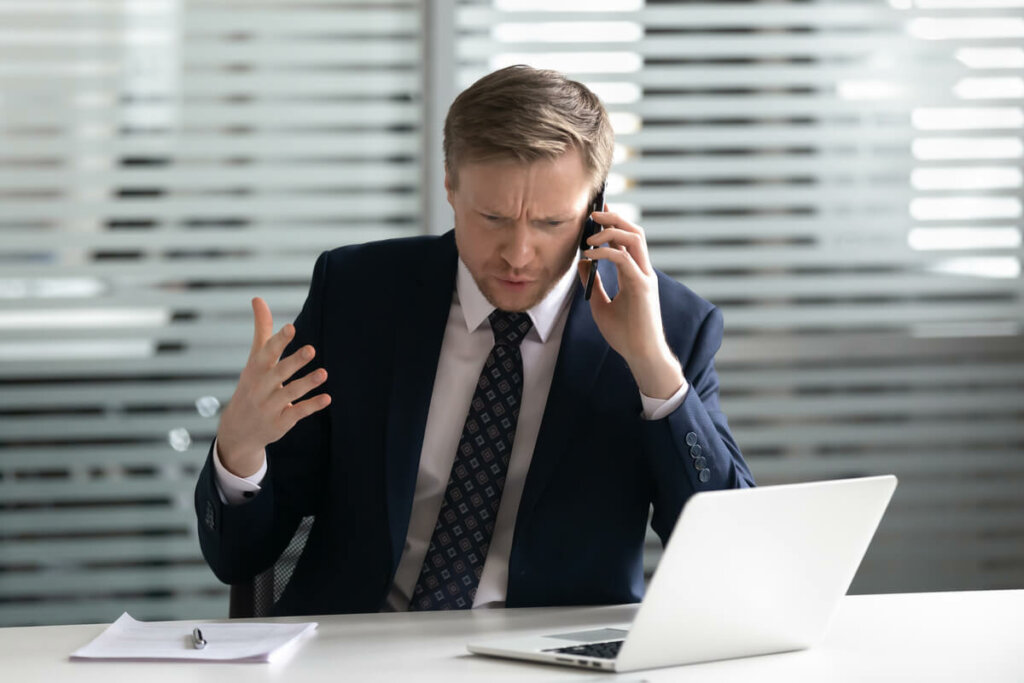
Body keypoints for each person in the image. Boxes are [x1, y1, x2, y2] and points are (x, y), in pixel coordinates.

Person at [195, 65, 755, 616]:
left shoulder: (671, 327)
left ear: (596, 209)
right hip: (360, 648)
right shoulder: (358, 295)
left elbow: (731, 551)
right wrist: (240, 453)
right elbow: (240, 556)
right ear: (449, 185)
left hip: (548, 657)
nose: (518, 253)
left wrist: (652, 367)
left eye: (550, 222)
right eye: (492, 217)